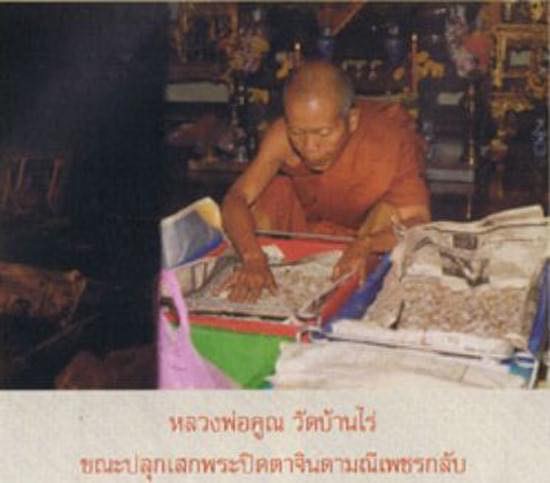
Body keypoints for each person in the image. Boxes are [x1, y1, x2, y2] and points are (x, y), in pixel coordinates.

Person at [221, 61, 430, 302]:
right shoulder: (281, 136)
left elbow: (418, 222)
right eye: (297, 133)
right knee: (273, 192)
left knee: (391, 213)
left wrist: (367, 243)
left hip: (366, 235)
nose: (310, 148)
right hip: (302, 235)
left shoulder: (390, 138)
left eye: (323, 133)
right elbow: (236, 198)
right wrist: (253, 257)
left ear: (352, 120)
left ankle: (357, 292)